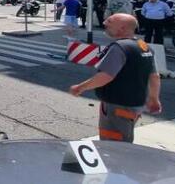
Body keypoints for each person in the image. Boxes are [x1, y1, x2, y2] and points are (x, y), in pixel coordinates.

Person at [69, 13, 161, 143]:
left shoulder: (119, 47)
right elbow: (154, 76)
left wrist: (80, 87)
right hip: (135, 104)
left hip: (117, 105)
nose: (105, 23)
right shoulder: (144, 46)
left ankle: (115, 163)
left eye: (110, 21)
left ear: (122, 28)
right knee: (124, 136)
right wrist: (154, 99)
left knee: (113, 144)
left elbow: (106, 76)